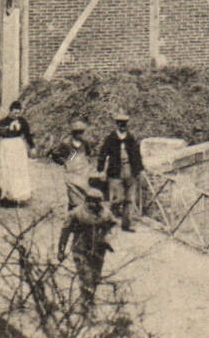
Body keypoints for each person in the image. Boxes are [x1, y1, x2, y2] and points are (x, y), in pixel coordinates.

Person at [57, 186, 115, 317]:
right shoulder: (76, 213)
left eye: (99, 201)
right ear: (87, 201)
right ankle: (86, 307)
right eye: (94, 201)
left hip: (99, 250)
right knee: (86, 276)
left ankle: (89, 300)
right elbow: (65, 232)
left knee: (95, 278)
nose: (97, 204)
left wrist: (107, 238)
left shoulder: (105, 213)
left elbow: (112, 225)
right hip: (81, 249)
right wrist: (61, 250)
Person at [97, 112, 145, 232]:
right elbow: (103, 154)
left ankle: (126, 224)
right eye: (120, 123)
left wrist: (140, 170)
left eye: (124, 124)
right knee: (117, 199)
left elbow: (137, 155)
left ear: (126, 124)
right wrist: (100, 170)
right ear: (116, 124)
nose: (122, 126)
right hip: (115, 172)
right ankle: (107, 220)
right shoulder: (111, 138)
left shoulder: (130, 138)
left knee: (129, 199)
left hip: (130, 170)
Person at [0, 100, 35, 207]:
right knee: (7, 171)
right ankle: (7, 197)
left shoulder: (22, 122)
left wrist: (32, 147)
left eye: (18, 113)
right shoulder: (2, 123)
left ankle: (19, 196)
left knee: (19, 171)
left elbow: (28, 135)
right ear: (10, 111)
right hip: (6, 149)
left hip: (18, 149)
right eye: (15, 113)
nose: (17, 115)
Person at [50, 120, 96, 208]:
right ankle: (73, 214)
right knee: (73, 197)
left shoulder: (85, 143)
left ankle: (83, 214)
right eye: (77, 132)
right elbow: (55, 155)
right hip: (71, 174)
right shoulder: (66, 144)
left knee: (85, 194)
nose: (80, 134)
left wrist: (89, 167)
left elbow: (89, 155)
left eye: (81, 132)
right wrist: (63, 163)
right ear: (73, 133)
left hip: (83, 173)